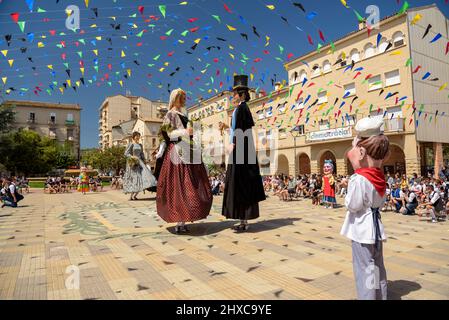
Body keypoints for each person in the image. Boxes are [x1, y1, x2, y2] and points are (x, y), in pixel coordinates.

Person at [340, 117, 390, 300]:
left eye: (354, 147)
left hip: (362, 230)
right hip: (376, 228)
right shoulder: (379, 177)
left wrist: (348, 187)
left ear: (361, 152)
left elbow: (353, 205)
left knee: (364, 270)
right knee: (376, 268)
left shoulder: (359, 179)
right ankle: (380, 296)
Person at [156, 88, 213, 233]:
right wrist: (184, 132)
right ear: (175, 99)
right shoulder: (170, 114)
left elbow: (191, 135)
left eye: (184, 97)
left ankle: (184, 219)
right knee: (178, 187)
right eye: (181, 97)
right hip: (177, 153)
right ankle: (179, 220)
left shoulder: (185, 116)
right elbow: (169, 134)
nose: (183, 100)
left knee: (188, 187)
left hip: (188, 152)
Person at [222, 75, 266, 232]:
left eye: (234, 94)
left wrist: (233, 143)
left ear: (240, 94)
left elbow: (241, 130)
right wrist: (228, 131)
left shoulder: (242, 108)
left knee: (242, 183)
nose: (232, 97)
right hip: (240, 150)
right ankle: (242, 219)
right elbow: (237, 128)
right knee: (238, 183)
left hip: (241, 151)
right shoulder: (238, 109)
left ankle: (244, 219)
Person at [123, 132, 157, 200]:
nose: (138, 137)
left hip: (140, 163)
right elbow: (126, 153)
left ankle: (135, 195)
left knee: (142, 178)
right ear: (134, 136)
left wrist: (145, 160)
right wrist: (132, 157)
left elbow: (142, 154)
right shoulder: (131, 144)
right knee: (135, 179)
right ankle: (131, 196)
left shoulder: (140, 145)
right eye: (136, 136)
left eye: (139, 136)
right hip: (133, 164)